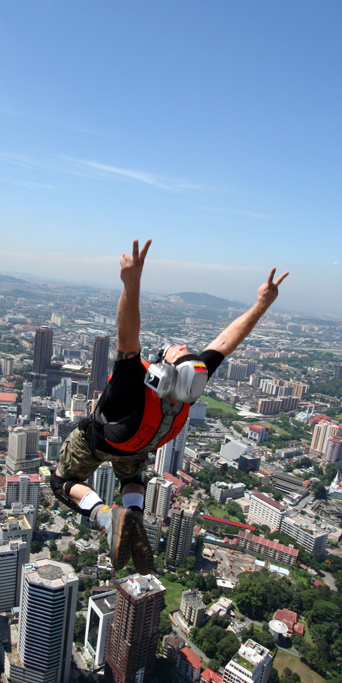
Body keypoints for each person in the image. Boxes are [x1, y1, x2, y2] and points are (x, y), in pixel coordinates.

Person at [50, 239, 288, 571]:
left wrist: (131, 284)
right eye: (180, 347)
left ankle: (105, 517)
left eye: (177, 349)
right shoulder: (188, 392)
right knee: (132, 479)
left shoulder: (134, 381)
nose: (181, 345)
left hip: (97, 442)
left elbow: (127, 336)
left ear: (163, 369)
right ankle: (133, 514)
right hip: (136, 448)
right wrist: (261, 304)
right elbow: (225, 342)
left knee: (60, 483)